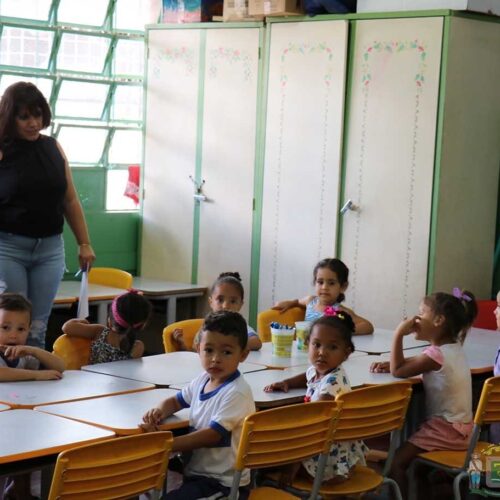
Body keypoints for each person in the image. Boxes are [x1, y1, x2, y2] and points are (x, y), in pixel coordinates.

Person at [0, 82, 95, 350]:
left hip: (50, 248)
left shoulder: (53, 147)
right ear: (11, 118)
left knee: (37, 325)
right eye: (24, 117)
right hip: (8, 247)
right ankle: (7, 382)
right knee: (10, 324)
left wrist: (84, 242)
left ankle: (33, 383)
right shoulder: (3, 150)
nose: (33, 123)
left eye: (38, 115)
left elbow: (70, 199)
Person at [370, 288, 478, 497]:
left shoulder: (435, 354)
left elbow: (398, 371)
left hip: (444, 430)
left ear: (438, 320)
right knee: (420, 467)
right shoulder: (454, 348)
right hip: (464, 429)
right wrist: (394, 361)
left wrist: (398, 334)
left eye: (421, 313)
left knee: (395, 463)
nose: (415, 319)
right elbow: (421, 361)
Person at [141, 310, 255, 499]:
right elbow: (175, 401)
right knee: (146, 482)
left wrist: (167, 444)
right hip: (197, 474)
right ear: (198, 348)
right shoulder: (202, 380)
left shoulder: (237, 392)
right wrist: (158, 411)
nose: (215, 359)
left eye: (226, 352)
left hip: (224, 484)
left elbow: (212, 435)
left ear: (243, 355)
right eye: (209, 350)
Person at [264, 310, 368, 484]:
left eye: (332, 347)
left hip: (327, 458)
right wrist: (287, 382)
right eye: (317, 345)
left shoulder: (332, 385)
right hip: (324, 446)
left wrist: (292, 468)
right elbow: (307, 375)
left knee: (270, 455)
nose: (322, 352)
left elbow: (312, 429)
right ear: (307, 344)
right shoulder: (320, 369)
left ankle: (289, 476)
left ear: (346, 353)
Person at [0, 293, 65, 500]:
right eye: (5, 327)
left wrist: (33, 351)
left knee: (27, 439)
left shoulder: (22, 353)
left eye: (21, 329)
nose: (13, 335)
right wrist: (37, 374)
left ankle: (19, 490)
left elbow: (60, 366)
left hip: (15, 417)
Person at [272, 257, 373, 335]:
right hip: (306, 349)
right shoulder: (310, 301)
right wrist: (291, 303)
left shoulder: (340, 312)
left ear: (343, 287)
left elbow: (368, 326)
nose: (324, 287)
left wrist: (342, 331)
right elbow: (298, 301)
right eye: (320, 282)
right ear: (314, 282)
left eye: (331, 283)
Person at [172, 271, 262, 351]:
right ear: (211, 302)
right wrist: (182, 344)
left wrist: (229, 345)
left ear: (240, 305)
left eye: (233, 301)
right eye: (220, 300)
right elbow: (196, 352)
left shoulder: (239, 325)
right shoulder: (207, 326)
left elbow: (256, 342)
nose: (226, 305)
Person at [62, 291, 152, 364]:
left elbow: (67, 327)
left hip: (93, 384)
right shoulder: (137, 347)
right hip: (125, 386)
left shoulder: (99, 332)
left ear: (110, 319)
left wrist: (81, 321)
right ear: (142, 325)